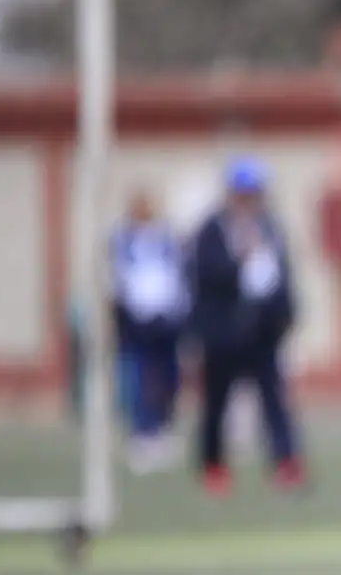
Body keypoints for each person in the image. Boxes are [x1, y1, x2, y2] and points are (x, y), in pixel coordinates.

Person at [189, 156, 305, 496]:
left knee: (275, 401)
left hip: (263, 334)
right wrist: (239, 260)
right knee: (215, 405)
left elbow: (282, 277)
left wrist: (286, 314)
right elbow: (205, 277)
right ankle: (214, 465)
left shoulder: (270, 228)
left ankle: (286, 462)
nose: (251, 199)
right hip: (222, 335)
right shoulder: (212, 230)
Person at [110, 189, 188, 473]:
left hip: (167, 318)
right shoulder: (122, 240)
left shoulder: (166, 239)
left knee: (170, 376)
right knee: (141, 376)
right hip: (137, 319)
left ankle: (163, 426)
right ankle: (143, 432)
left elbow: (178, 276)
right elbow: (121, 279)